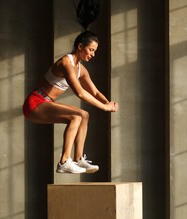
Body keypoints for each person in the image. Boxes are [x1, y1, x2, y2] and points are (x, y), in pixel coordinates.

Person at [23, 0, 118, 174]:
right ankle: (64, 162)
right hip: (35, 103)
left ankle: (79, 158)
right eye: (90, 50)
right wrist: (104, 107)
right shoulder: (66, 62)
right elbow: (80, 93)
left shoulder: (81, 69)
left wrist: (109, 102)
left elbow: (94, 91)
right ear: (80, 47)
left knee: (84, 115)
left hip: (46, 103)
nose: (93, 54)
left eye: (95, 51)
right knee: (76, 116)